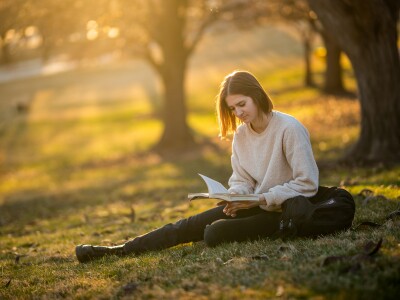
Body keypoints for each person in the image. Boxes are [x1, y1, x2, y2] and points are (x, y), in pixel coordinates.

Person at [75, 70, 320, 263]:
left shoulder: (289, 129)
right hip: (253, 205)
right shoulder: (242, 135)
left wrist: (260, 199)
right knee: (186, 225)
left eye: (242, 104)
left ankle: (122, 250)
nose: (238, 113)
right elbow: (242, 178)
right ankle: (118, 250)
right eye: (233, 108)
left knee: (214, 234)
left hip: (281, 213)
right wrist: (234, 196)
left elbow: (307, 184)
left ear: (257, 95)